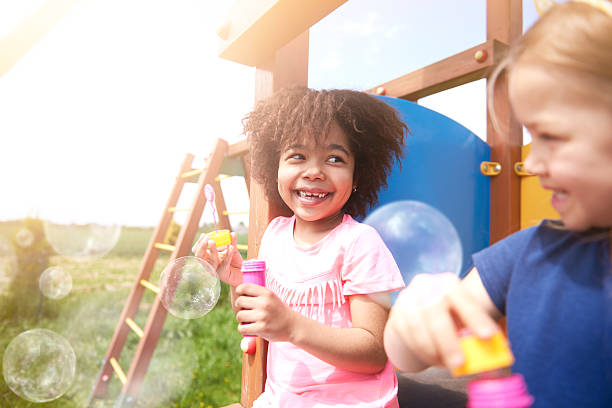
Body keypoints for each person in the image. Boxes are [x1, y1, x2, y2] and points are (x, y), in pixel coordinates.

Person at [384, 1, 612, 407]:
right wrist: (410, 319)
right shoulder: (531, 252)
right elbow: (404, 355)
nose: (532, 161)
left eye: (552, 137)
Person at [193, 87, 408, 407]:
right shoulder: (275, 234)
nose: (314, 171)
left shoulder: (359, 243)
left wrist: (292, 326)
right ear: (274, 166)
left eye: (335, 159)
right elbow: (276, 307)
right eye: (297, 156)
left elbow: (375, 351)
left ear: (357, 174)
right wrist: (238, 277)